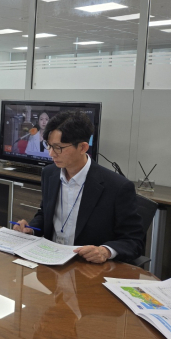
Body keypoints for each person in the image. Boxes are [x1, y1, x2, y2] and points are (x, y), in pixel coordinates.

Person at [13, 110, 144, 263]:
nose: (51, 154)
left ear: (82, 148)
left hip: (87, 266)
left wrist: (105, 251)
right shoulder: (49, 173)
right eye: (49, 146)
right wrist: (31, 229)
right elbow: (45, 214)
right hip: (50, 259)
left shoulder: (117, 186)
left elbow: (134, 241)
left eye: (58, 148)